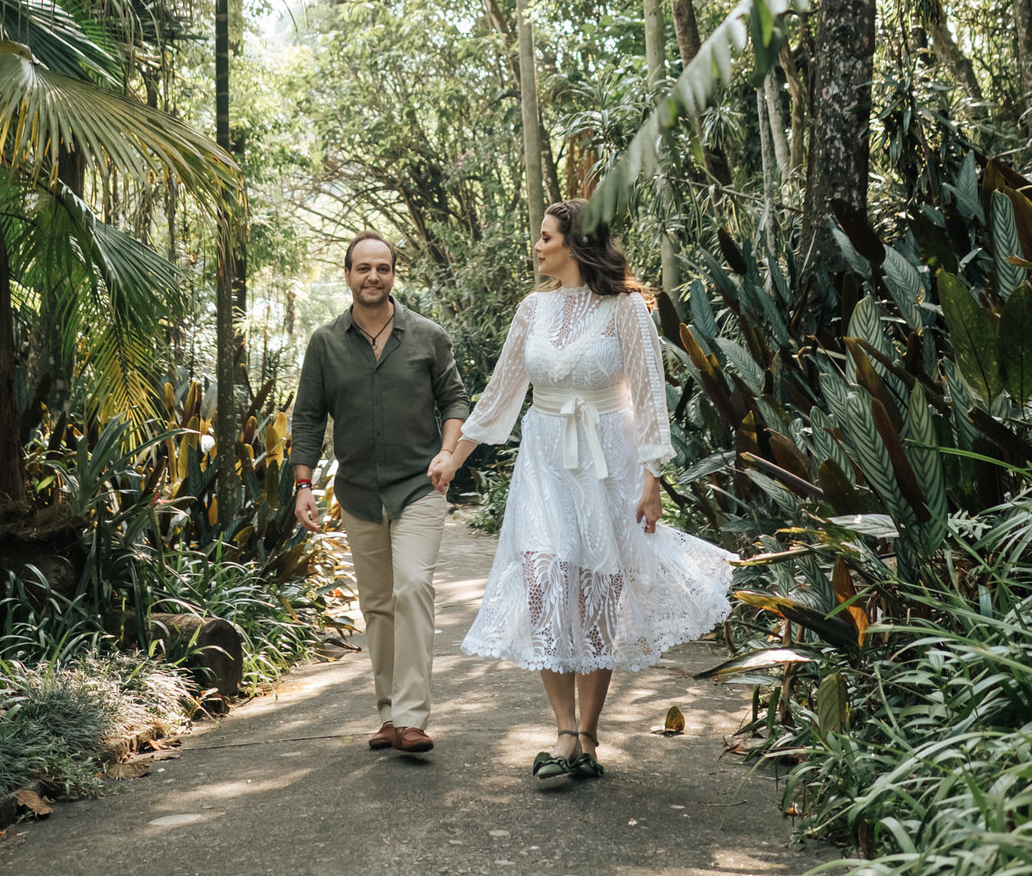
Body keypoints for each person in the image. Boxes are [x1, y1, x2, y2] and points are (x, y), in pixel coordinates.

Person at [427, 199, 733, 782]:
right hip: (544, 460)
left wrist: (652, 480)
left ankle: (588, 738)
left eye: (546, 237)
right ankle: (563, 730)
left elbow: (650, 396)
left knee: (597, 594)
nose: (537, 245)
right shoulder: (532, 309)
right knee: (542, 581)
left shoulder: (626, 308)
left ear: (575, 243)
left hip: (608, 461)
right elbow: (500, 394)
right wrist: (453, 456)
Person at [291, 231, 471, 755]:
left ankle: (412, 718)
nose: (374, 276)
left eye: (383, 268)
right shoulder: (325, 343)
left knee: (412, 586)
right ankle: (389, 715)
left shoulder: (428, 336)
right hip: (359, 493)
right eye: (364, 268)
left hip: (419, 485)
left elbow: (455, 400)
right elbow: (307, 417)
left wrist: (448, 452)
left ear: (393, 274)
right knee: (376, 605)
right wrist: (303, 484)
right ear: (348, 274)